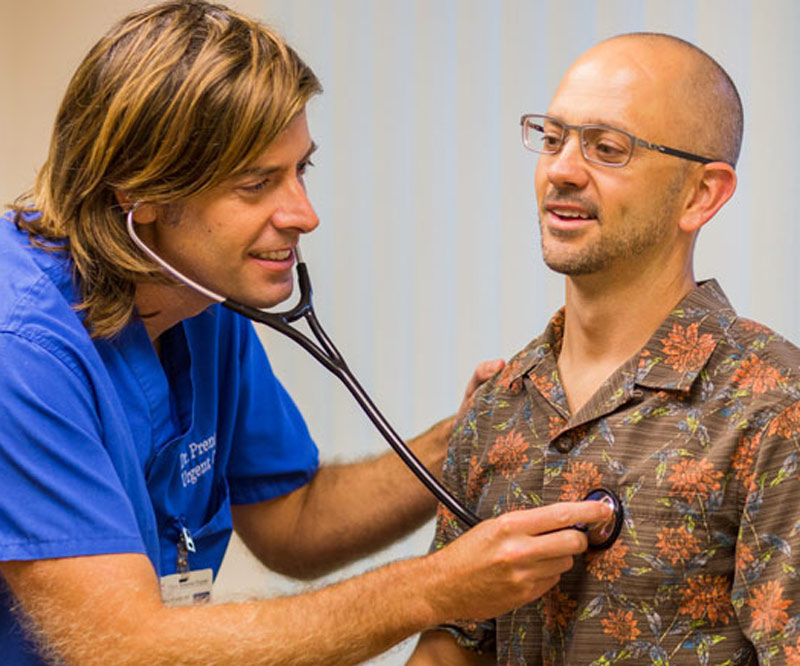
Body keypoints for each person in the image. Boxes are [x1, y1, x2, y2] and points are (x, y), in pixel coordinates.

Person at [0, 2, 615, 664]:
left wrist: (463, 435)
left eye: (301, 170)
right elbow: (130, 649)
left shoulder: (197, 297)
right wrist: (434, 590)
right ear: (141, 194)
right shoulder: (23, 349)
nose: (305, 214)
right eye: (257, 183)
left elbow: (292, 521)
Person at [409, 32, 800, 665]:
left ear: (702, 194)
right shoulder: (498, 408)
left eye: (608, 148)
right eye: (554, 137)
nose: (562, 169)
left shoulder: (773, 406)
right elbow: (452, 643)